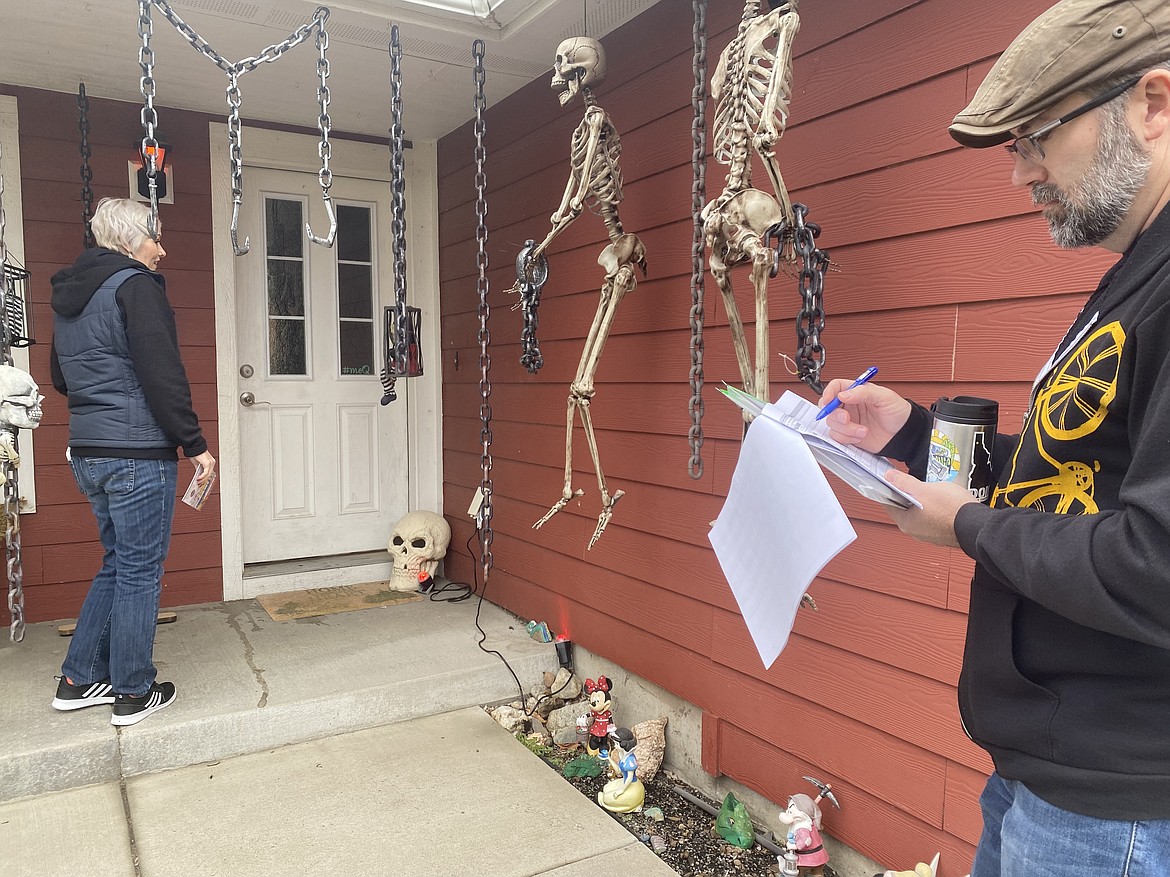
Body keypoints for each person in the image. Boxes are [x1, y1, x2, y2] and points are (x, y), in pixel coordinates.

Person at [818, 2, 1170, 874]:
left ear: (1153, 103)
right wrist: (913, 434)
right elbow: (1081, 476)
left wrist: (967, 524)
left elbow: (1157, 562)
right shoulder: (1136, 273)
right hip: (1046, 775)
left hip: (1117, 805)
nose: (1020, 175)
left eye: (1035, 139)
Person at [48, 198, 215, 727]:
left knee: (119, 562)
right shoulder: (134, 286)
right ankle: (133, 690)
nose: (161, 251)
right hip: (137, 454)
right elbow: (162, 374)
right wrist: (195, 445)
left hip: (89, 453)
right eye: (155, 239)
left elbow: (59, 377)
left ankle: (77, 679)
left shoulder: (69, 296)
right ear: (128, 240)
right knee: (140, 571)